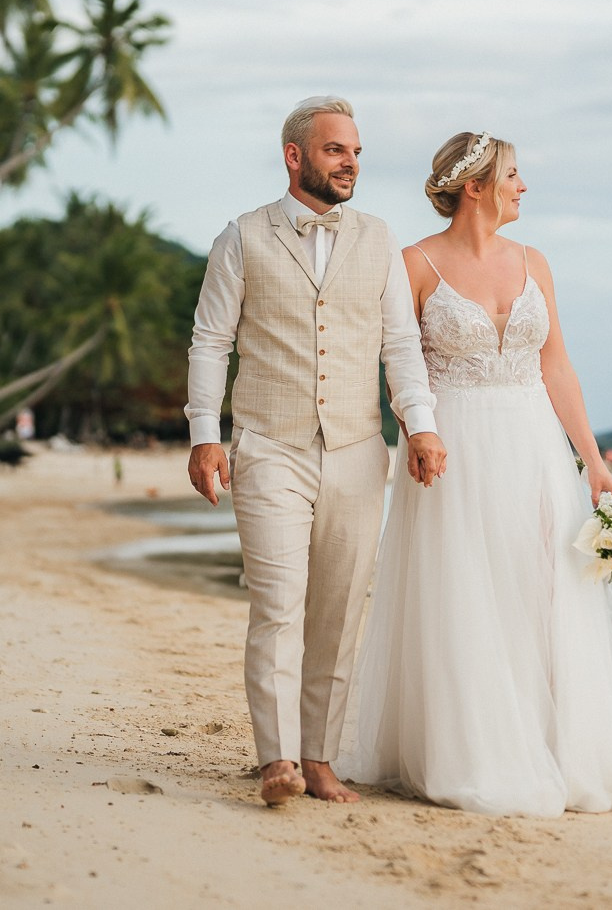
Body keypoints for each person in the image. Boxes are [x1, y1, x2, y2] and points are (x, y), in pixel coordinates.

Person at [339, 131, 612, 816]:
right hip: (453, 448)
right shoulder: (414, 263)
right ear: (475, 187)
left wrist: (594, 461)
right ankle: (473, 748)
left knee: (541, 589)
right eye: (514, 175)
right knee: (466, 591)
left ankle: (554, 748)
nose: (524, 187)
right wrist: (416, 430)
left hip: (533, 446)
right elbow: (396, 364)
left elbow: (557, 366)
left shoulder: (534, 262)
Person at [184, 97, 448, 806]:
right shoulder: (241, 237)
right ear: (295, 156)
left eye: (356, 151)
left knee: (337, 611)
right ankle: (277, 760)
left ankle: (320, 757)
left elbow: (400, 346)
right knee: (278, 604)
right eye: (336, 150)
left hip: (361, 449)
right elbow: (211, 339)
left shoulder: (380, 240)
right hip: (270, 445)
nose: (351, 163)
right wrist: (205, 433)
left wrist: (418, 422)